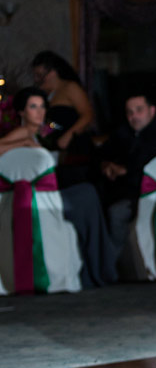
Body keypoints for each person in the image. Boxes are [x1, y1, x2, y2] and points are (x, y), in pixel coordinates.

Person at [2, 87, 117, 287]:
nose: (40, 111)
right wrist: (25, 142)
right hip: (38, 195)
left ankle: (96, 270)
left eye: (43, 106)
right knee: (88, 193)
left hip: (52, 186)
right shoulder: (22, 131)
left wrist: (62, 132)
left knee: (88, 191)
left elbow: (60, 128)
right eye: (33, 107)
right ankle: (99, 271)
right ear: (21, 112)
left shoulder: (45, 128)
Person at [97, 93, 156, 257]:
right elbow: (105, 153)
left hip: (147, 193)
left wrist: (123, 170)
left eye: (139, 110)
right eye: (130, 112)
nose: (134, 116)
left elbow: (148, 164)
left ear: (151, 111)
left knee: (116, 213)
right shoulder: (124, 131)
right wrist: (107, 166)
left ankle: (113, 263)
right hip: (121, 190)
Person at [32, 50, 94, 187]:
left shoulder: (70, 87)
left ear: (53, 72)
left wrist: (68, 135)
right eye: (35, 76)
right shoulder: (47, 96)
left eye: (40, 75)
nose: (37, 80)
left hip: (76, 154)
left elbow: (87, 114)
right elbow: (55, 124)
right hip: (58, 156)